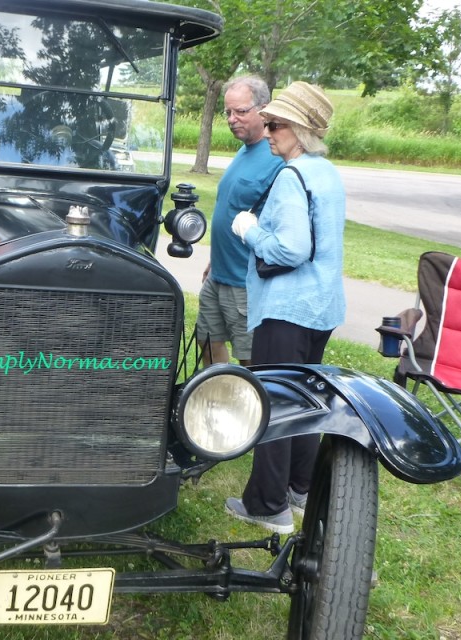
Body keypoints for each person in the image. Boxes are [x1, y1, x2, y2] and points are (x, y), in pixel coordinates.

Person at [225, 81, 347, 534]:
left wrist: (250, 230)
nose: (268, 130)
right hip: (322, 308)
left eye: (276, 124)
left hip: (286, 308)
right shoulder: (326, 172)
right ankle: (299, 487)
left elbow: (293, 248)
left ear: (299, 130)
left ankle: (267, 505)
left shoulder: (293, 176)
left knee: (273, 403)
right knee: (307, 400)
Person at [196, 76, 284, 367]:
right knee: (207, 342)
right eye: (228, 113)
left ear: (264, 108)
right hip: (219, 274)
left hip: (246, 284)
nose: (232, 119)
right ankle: (218, 401)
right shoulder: (243, 150)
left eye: (241, 111)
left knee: (250, 361)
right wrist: (213, 260)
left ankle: (246, 408)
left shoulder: (277, 157)